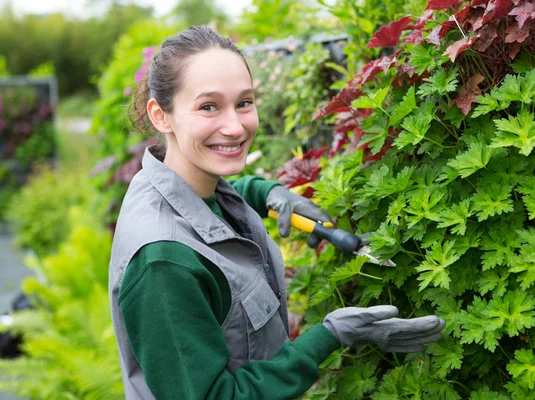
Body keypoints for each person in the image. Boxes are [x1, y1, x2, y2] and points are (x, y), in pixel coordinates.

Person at [108, 25, 446, 400]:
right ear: (161, 115)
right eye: (209, 107)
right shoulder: (164, 263)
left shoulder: (171, 179)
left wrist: (266, 193)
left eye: (244, 102)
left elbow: (208, 201)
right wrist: (328, 337)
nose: (235, 126)